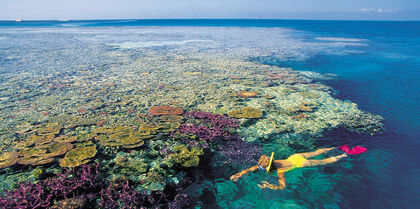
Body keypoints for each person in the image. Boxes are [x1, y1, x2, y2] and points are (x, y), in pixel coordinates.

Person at [230, 146, 366, 190]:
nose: (259, 168)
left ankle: (343, 155)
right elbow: (253, 168)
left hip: (300, 164)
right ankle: (336, 147)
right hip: (294, 157)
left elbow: (282, 186)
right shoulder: (274, 163)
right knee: (317, 152)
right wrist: (240, 174)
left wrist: (269, 186)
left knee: (324, 161)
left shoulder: (280, 171)